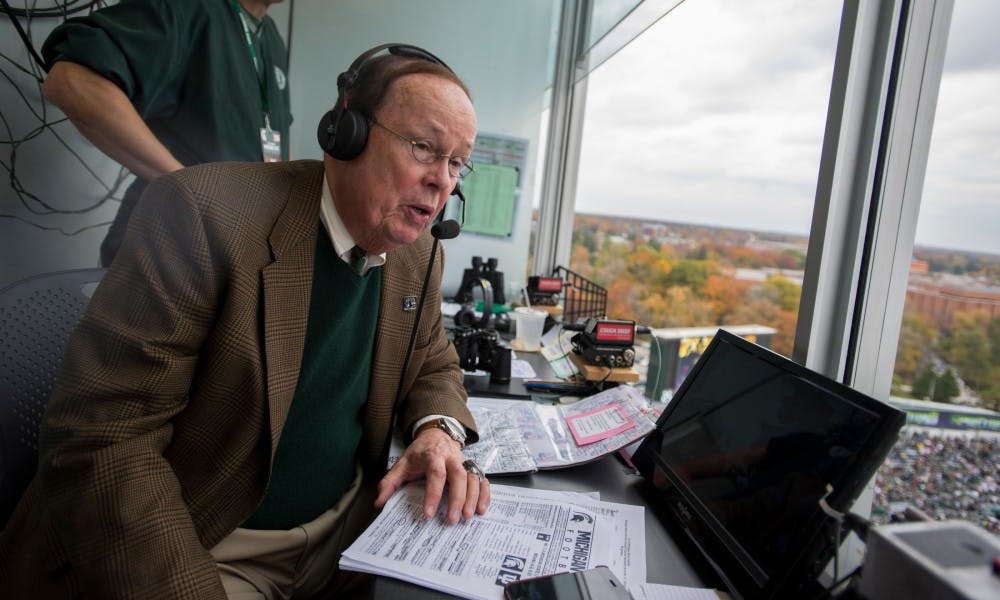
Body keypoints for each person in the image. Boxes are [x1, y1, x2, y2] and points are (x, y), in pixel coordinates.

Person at [0, 46, 489, 598]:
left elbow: (432, 360)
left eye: (456, 163)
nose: (441, 182)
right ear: (344, 131)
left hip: (349, 541)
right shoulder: (202, 213)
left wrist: (437, 431)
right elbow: (105, 440)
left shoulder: (420, 254)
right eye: (424, 147)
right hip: (207, 547)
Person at [41, 0, 292, 267]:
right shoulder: (189, 8)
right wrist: (191, 191)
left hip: (235, 250)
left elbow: (274, 140)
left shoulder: (271, 37)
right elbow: (71, 80)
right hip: (172, 246)